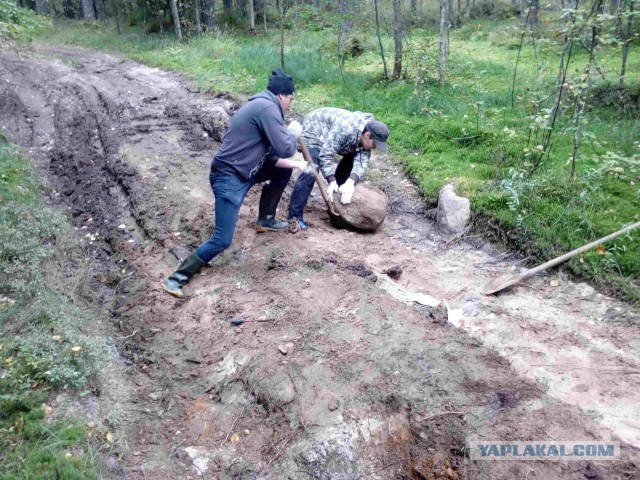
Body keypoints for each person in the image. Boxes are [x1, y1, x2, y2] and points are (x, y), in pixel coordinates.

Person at [162, 68, 307, 298]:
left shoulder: (264, 107)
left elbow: (270, 156)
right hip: (229, 177)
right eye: (290, 98)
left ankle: (265, 219)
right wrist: (292, 134)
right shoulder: (268, 108)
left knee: (282, 172)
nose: (290, 103)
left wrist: (298, 166)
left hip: (246, 171)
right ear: (281, 95)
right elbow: (285, 148)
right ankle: (176, 279)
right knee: (222, 239)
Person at [288, 107, 389, 231]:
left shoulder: (367, 134)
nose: (375, 148)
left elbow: (361, 162)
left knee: (351, 161)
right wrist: (331, 180)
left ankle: (338, 203)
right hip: (315, 131)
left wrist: (351, 181)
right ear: (367, 135)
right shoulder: (345, 128)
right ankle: (295, 217)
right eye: (374, 144)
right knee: (312, 170)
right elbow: (325, 154)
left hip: (341, 139)